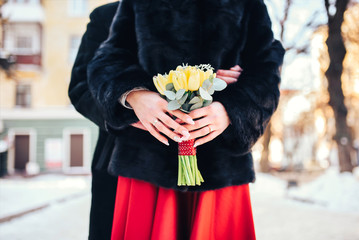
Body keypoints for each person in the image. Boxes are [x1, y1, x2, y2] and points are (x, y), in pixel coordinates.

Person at [87, 0, 285, 238]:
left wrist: (232, 110)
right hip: (148, 164)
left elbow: (266, 69)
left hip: (220, 166)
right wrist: (135, 96)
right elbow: (107, 60)